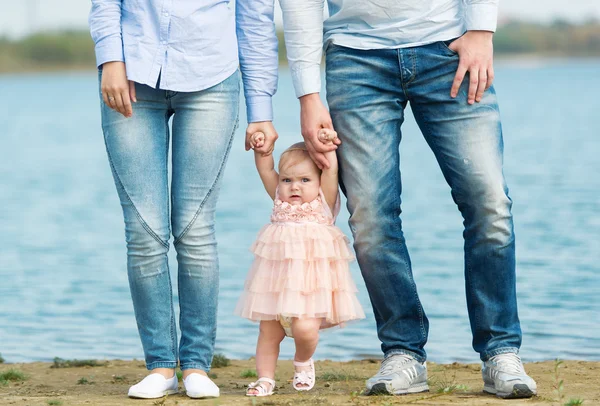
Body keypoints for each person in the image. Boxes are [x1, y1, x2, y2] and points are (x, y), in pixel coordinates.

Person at [278, 0, 538, 399]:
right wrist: (307, 95)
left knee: (490, 205)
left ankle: (500, 351)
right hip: (355, 58)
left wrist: (482, 30)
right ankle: (403, 351)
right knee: (369, 218)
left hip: (449, 48)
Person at [89, 0, 279, 399]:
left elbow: (255, 20)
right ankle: (160, 367)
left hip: (212, 80)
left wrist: (260, 110)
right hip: (131, 75)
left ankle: (196, 365)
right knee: (144, 233)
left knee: (194, 229)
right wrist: (110, 58)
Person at [234, 131, 365, 396]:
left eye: (305, 180)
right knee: (268, 333)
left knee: (305, 330)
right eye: (288, 180)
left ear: (318, 181)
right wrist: (262, 151)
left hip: (309, 292)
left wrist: (326, 146)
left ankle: (303, 362)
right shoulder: (279, 200)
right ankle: (265, 379)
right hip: (274, 289)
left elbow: (331, 170)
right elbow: (266, 169)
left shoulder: (323, 204)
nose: (295, 186)